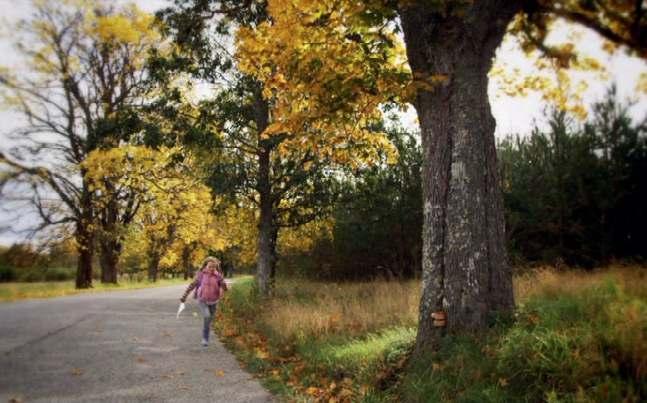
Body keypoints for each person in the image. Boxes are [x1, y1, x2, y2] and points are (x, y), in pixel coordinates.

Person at [180, 256, 228, 347]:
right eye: (209, 266)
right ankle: (205, 338)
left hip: (214, 301)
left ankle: (206, 330)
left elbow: (224, 287)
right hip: (202, 300)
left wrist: (223, 285)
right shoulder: (201, 274)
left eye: (213, 267)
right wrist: (184, 296)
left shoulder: (218, 276)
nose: (211, 268)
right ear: (206, 266)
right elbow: (192, 285)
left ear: (216, 267)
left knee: (209, 320)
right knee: (207, 316)